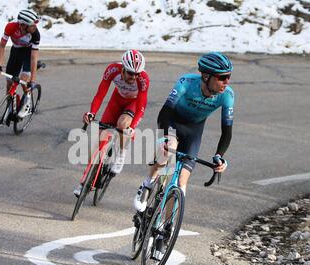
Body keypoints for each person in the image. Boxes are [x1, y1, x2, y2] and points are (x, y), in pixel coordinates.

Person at [133, 52, 234, 214]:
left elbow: (227, 131)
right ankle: (148, 183)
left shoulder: (227, 95)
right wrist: (165, 136)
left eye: (229, 76)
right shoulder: (186, 82)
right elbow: (164, 112)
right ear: (207, 77)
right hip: (173, 123)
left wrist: (219, 155)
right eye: (222, 78)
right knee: (167, 151)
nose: (227, 82)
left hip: (194, 132)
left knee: (181, 182)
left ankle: (167, 229)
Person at [73, 49, 150, 197]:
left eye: (137, 73)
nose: (134, 77)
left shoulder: (143, 79)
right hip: (116, 100)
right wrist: (92, 113)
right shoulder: (112, 70)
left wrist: (132, 128)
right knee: (100, 141)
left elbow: (141, 106)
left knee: (122, 125)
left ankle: (121, 153)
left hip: (132, 104)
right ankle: (84, 183)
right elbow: (100, 94)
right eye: (130, 73)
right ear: (122, 69)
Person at [0, 9, 41, 119]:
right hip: (16, 51)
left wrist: (32, 80)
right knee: (9, 82)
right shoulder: (11, 27)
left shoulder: (35, 34)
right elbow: (1, 46)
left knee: (24, 79)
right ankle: (10, 107)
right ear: (23, 25)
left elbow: (34, 58)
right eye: (32, 25)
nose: (34, 27)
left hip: (28, 53)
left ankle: (28, 102)